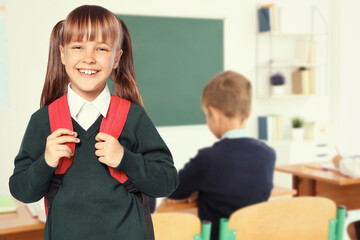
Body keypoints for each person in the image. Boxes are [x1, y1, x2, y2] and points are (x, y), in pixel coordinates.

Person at [9, 5, 178, 240]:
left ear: (116, 58)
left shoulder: (133, 117)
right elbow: (21, 190)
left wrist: (124, 159)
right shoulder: (43, 120)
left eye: (101, 49)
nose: (88, 58)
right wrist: (46, 162)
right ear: (62, 54)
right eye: (78, 47)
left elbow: (167, 182)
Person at [167, 70, 276, 240]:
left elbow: (172, 190)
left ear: (214, 114)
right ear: (249, 111)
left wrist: (197, 189)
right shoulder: (268, 155)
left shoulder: (208, 159)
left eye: (206, 115)